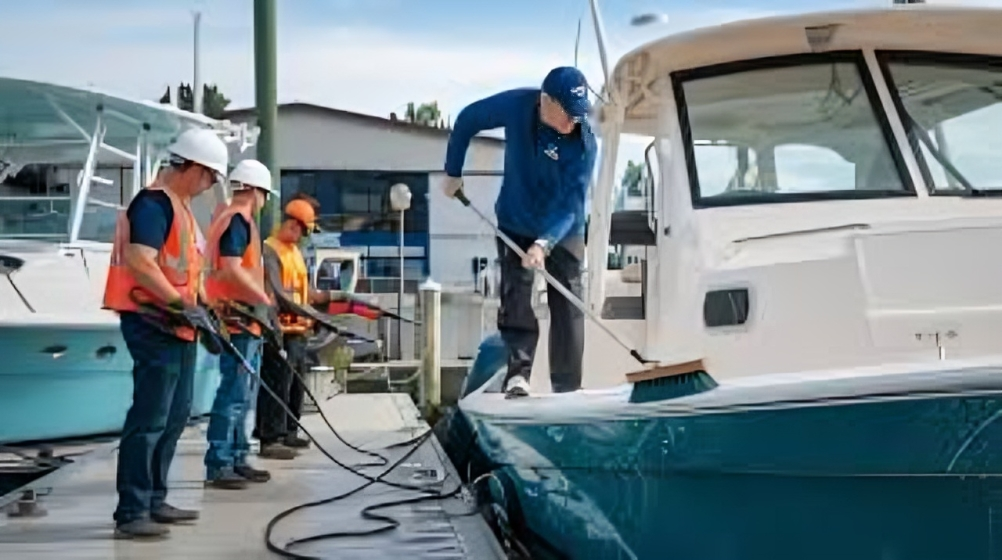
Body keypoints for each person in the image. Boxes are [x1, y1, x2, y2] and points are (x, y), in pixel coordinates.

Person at [102, 127, 229, 540]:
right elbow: (141, 262)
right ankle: (133, 509)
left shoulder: (181, 209)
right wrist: (181, 305)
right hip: (153, 321)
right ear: (192, 168)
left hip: (177, 324)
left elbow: (186, 272)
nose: (211, 186)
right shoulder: (154, 204)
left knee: (176, 413)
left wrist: (203, 305)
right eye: (210, 177)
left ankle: (155, 498)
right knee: (151, 415)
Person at [442, 66, 598, 398]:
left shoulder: (584, 143)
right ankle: (518, 375)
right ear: (547, 102)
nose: (574, 122)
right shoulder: (517, 106)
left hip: (563, 226)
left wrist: (544, 243)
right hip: (515, 219)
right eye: (568, 114)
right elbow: (468, 119)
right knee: (516, 297)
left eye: (580, 114)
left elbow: (571, 206)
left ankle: (567, 387)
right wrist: (452, 171)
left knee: (568, 302)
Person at [201, 159, 278, 489]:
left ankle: (237, 456)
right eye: (265, 195)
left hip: (242, 319)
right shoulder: (237, 221)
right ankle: (220, 462)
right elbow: (232, 268)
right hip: (238, 318)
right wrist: (263, 298)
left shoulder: (227, 218)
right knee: (233, 392)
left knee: (242, 393)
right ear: (256, 191)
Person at [254, 195, 333, 459]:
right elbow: (279, 293)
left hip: (298, 331)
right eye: (302, 230)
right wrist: (310, 311)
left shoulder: (294, 251)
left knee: (296, 384)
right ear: (292, 224)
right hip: (280, 330)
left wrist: (328, 300)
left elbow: (303, 290)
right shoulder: (270, 249)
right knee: (277, 383)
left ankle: (289, 430)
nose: (302, 237)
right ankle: (270, 437)